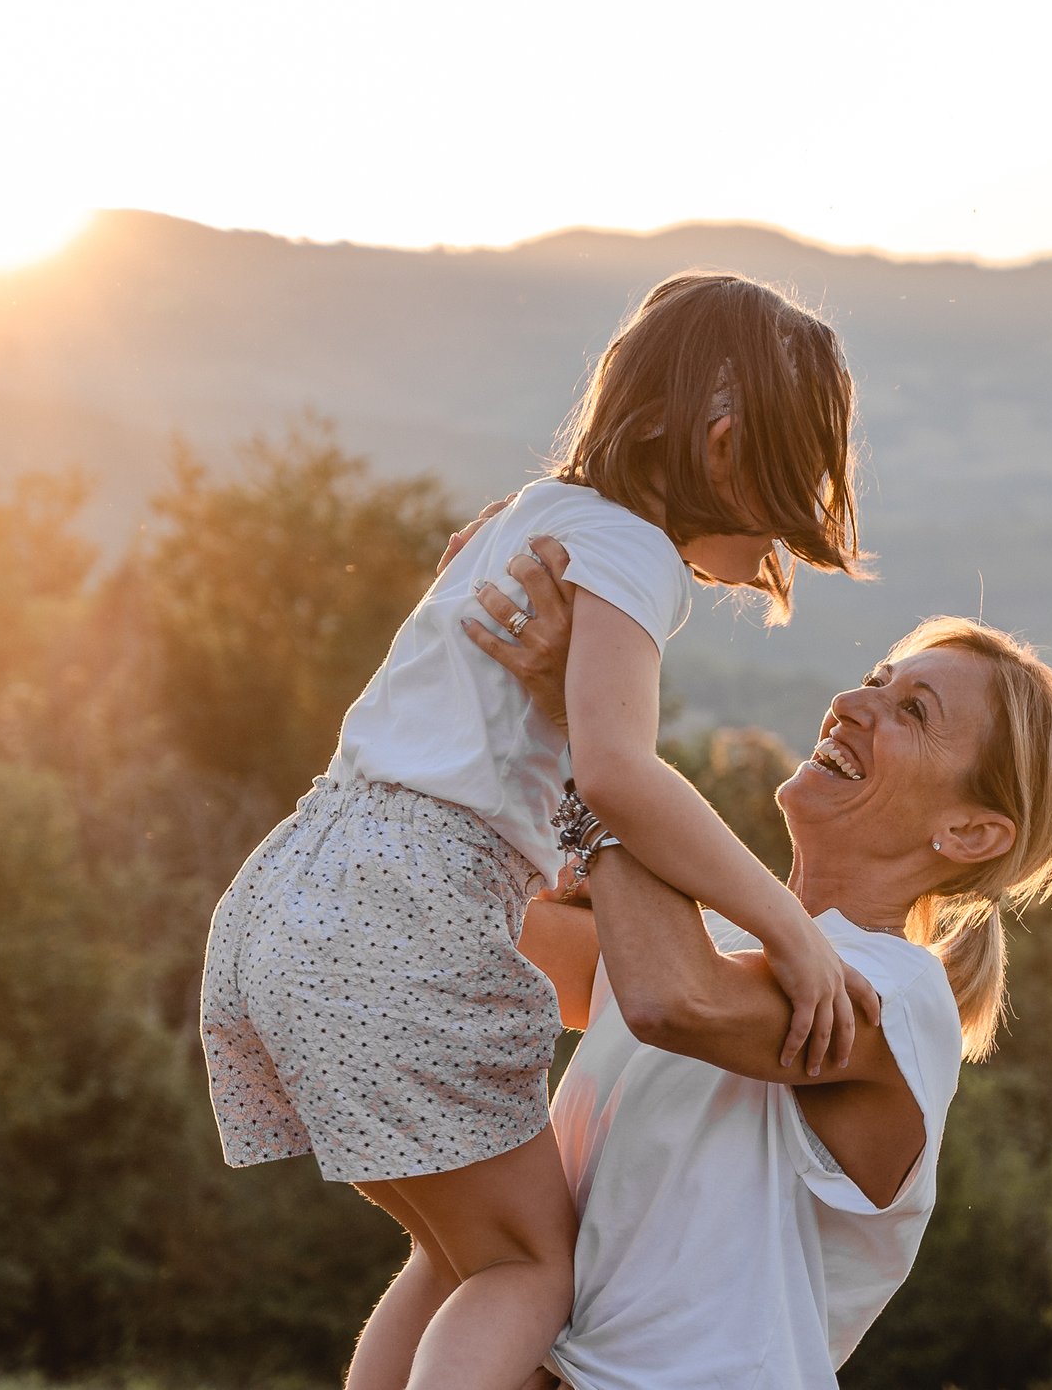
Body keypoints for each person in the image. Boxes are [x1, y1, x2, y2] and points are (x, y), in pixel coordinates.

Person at [198, 271, 876, 1390]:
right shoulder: (629, 553)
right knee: (526, 1268)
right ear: (721, 447)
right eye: (794, 468)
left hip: (295, 899)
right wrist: (785, 928)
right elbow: (619, 773)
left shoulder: (533, 515)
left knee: (460, 1252)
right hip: (402, 919)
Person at [470, 541, 1052, 1389]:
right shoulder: (718, 940)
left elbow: (674, 1000)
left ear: (969, 833)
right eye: (878, 677)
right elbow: (467, 941)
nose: (851, 701)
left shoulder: (903, 999)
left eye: (912, 709)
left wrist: (592, 737)